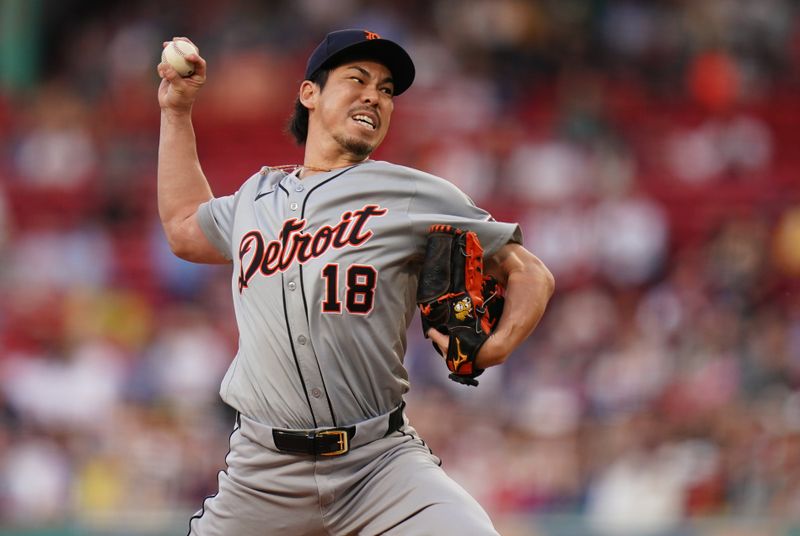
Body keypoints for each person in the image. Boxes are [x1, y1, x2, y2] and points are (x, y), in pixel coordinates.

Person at [157, 29, 554, 536]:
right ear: (310, 94)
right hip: (262, 475)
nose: (375, 95)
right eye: (357, 79)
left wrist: (495, 348)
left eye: (387, 89)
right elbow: (185, 229)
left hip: (379, 464)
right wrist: (176, 111)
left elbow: (528, 272)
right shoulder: (256, 198)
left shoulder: (413, 191)